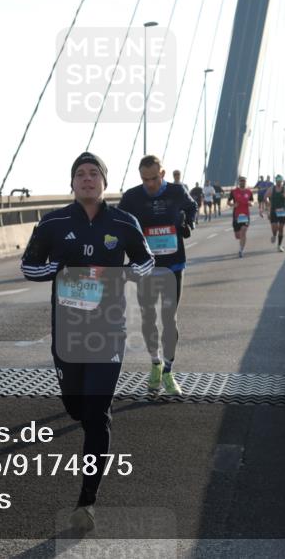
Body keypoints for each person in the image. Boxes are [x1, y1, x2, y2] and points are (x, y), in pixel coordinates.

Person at [20, 152, 154, 534]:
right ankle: (84, 416)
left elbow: (146, 263)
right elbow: (28, 266)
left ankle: (87, 500)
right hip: (67, 331)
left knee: (97, 414)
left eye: (94, 173)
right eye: (80, 173)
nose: (87, 178)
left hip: (109, 330)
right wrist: (60, 270)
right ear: (72, 183)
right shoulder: (54, 222)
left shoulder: (124, 222)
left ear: (104, 182)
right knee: (76, 408)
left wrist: (123, 274)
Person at [119, 155, 198, 396]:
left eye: (153, 178)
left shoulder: (177, 191)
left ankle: (169, 371)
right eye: (144, 179)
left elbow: (192, 207)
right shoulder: (132, 197)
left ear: (162, 174)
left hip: (173, 265)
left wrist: (189, 224)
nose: (149, 184)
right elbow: (118, 222)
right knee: (148, 317)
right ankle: (155, 362)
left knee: (169, 318)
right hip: (145, 267)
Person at [263, 174, 285, 252]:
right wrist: (267, 202)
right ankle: (274, 235)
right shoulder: (272, 189)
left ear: (282, 181)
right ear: (276, 181)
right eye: (277, 180)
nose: (279, 182)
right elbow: (265, 197)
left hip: (282, 211)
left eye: (280, 181)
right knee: (275, 228)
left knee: (281, 228)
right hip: (273, 210)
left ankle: (279, 245)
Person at [227, 176, 254, 258]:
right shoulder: (234, 191)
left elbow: (252, 201)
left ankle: (241, 250)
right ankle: (241, 242)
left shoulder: (249, 192)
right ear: (239, 182)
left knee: (243, 232)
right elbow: (228, 202)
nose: (243, 182)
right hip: (236, 215)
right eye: (241, 181)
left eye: (244, 181)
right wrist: (233, 204)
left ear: (246, 182)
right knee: (237, 235)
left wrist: (251, 204)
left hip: (245, 215)